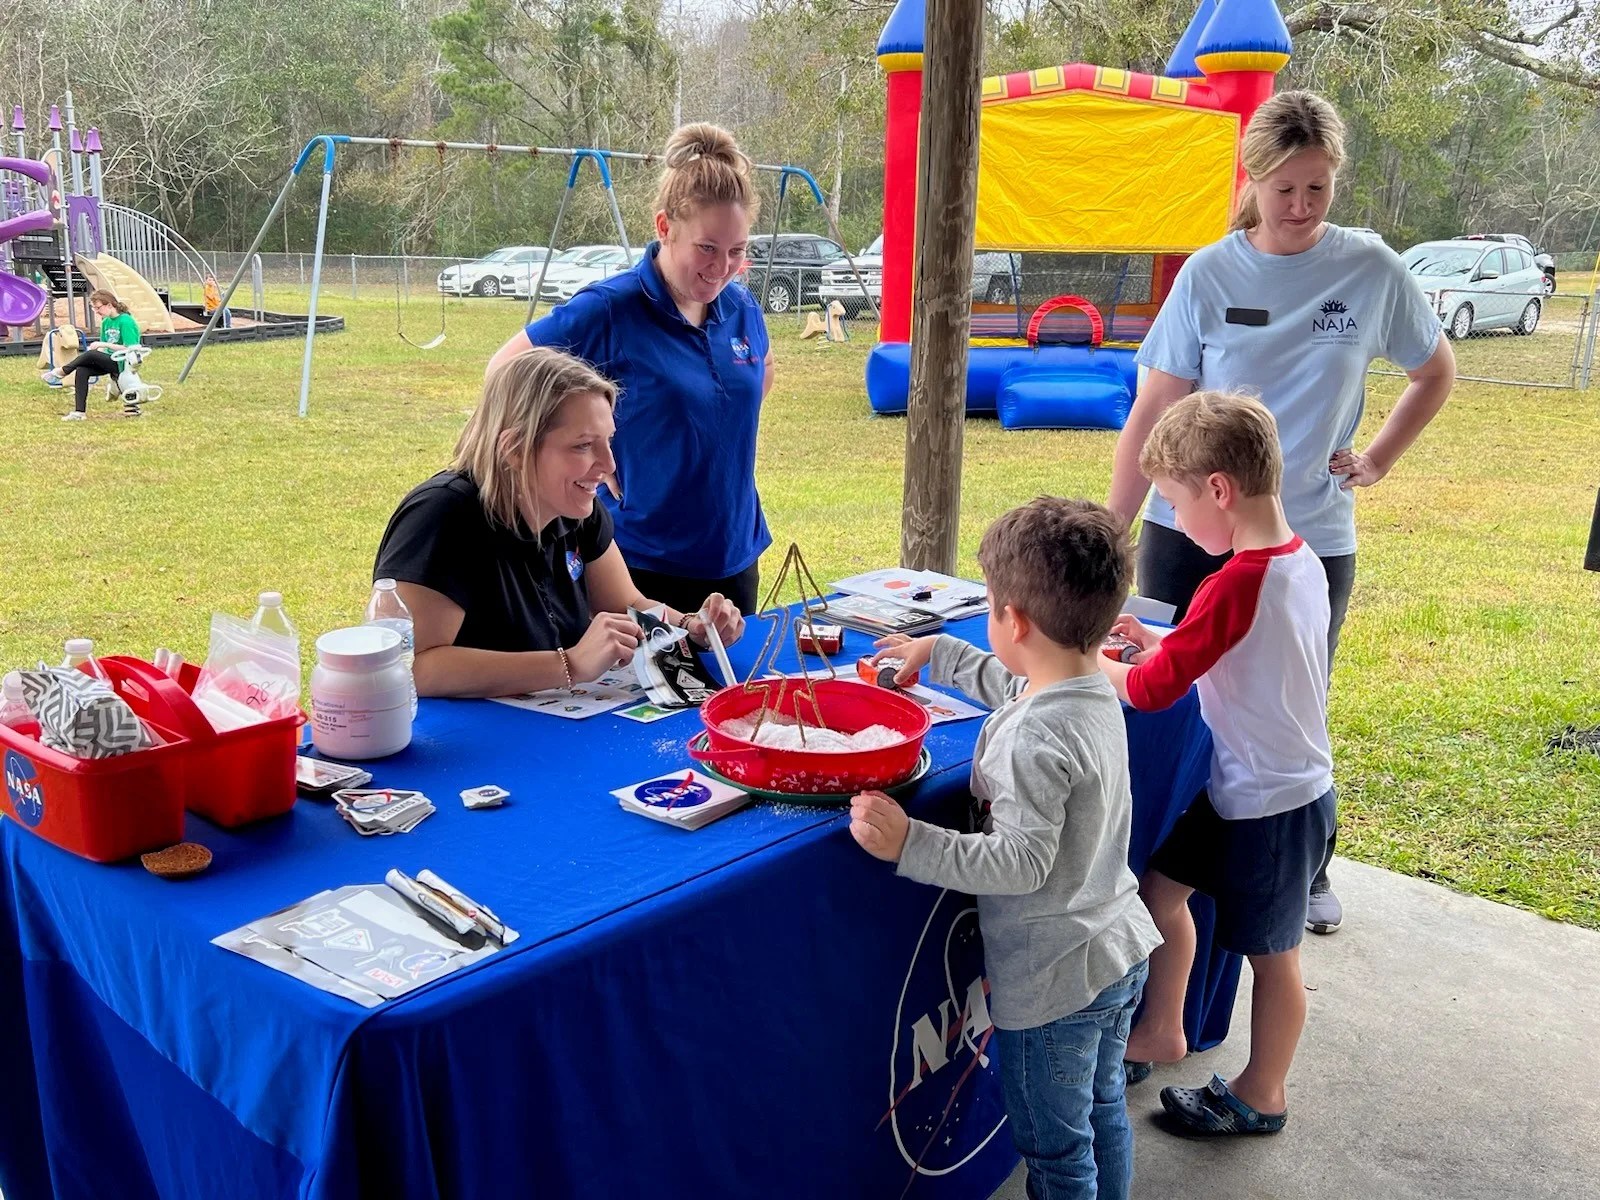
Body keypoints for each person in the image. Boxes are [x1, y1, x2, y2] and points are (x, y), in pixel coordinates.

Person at [1107, 90, 1456, 935]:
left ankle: (1303, 872)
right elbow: (1155, 406)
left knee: (1291, 705)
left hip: (1305, 537)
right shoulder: (1211, 271)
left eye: (1317, 190)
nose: (1300, 209)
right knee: (1172, 690)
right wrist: (1107, 530)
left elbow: (1433, 370)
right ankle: (1160, 851)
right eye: (1284, 189)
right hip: (1191, 527)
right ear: (1252, 178)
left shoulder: (1370, 267)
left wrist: (1374, 459)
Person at [849, 497, 1162, 1200]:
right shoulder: (1089, 688)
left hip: (1057, 986)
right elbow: (1021, 686)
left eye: (989, 607)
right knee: (1104, 1107)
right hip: (1117, 951)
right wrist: (943, 654)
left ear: (1013, 621)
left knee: (1056, 1153)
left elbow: (1019, 864)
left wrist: (910, 842)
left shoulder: (1034, 738)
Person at [1102, 391, 1334, 1138]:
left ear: (1219, 491)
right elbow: (1221, 655)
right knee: (1159, 894)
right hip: (1246, 788)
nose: (1170, 517)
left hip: (1275, 807)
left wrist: (1081, 661)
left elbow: (1149, 688)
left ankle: (1263, 1091)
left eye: (1172, 500)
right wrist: (1164, 640)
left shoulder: (1235, 581)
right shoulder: (1295, 559)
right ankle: (1162, 1030)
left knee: (1274, 956)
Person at [487, 123, 774, 617]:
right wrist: (587, 451)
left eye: (737, 251)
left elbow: (760, 371)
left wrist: (707, 427)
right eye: (707, 248)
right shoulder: (610, 309)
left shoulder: (741, 307)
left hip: (735, 556)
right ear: (665, 228)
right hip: (641, 562)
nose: (722, 267)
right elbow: (505, 372)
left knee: (735, 692)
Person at [373, 346, 744, 699]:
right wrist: (569, 665)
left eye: (608, 441)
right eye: (583, 445)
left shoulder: (575, 505)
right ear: (515, 449)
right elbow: (412, 665)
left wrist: (693, 627)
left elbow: (627, 603)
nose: (609, 465)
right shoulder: (443, 516)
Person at [43, 289, 144, 420]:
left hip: (124, 361)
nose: (96, 311)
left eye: (98, 308)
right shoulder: (106, 322)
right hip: (110, 360)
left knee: (91, 354)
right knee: (82, 370)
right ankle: (79, 412)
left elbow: (130, 348)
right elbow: (103, 347)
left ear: (109, 305)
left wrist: (103, 346)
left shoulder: (126, 321)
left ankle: (61, 372)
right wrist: (100, 350)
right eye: (94, 308)